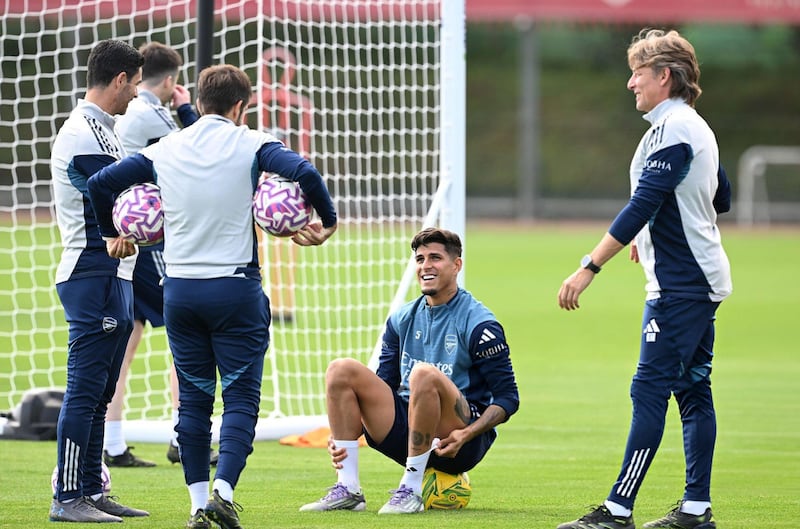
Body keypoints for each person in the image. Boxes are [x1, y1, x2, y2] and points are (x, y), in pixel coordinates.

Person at [87, 64, 338, 529]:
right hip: (236, 288)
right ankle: (222, 492)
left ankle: (197, 504)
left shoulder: (166, 148)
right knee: (241, 399)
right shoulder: (253, 143)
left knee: (194, 402)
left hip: (179, 292)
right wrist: (328, 222)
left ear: (198, 102)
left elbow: (101, 184)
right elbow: (304, 172)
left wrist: (110, 234)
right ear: (241, 107)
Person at [556, 28, 732, 529]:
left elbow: (645, 202)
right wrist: (654, 231)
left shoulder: (676, 128)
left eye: (638, 72)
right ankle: (695, 510)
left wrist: (589, 265)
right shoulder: (687, 126)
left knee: (648, 389)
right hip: (692, 278)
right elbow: (720, 197)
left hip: (682, 285)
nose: (630, 82)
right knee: (694, 389)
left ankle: (617, 509)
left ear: (664, 76)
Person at [299, 227, 520, 515]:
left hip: (457, 441)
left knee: (423, 374)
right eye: (420, 259)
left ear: (456, 265)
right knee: (341, 369)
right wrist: (344, 435)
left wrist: (466, 435)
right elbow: (383, 385)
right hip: (405, 429)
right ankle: (348, 487)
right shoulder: (401, 319)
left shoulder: (481, 325)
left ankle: (411, 489)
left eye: (435, 258)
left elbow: (508, 398)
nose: (426, 266)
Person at [102, 41, 219, 469]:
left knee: (125, 342)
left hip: (127, 235)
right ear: (170, 80)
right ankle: (182, 437)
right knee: (186, 338)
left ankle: (113, 443)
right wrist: (188, 110)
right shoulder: (151, 112)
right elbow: (197, 154)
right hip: (150, 240)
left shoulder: (126, 113)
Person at [49, 39, 150, 523]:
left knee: (101, 392)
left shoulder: (105, 130)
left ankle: (91, 487)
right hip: (93, 271)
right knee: (85, 390)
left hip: (118, 273)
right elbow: (106, 192)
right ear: (119, 80)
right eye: (134, 83)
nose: (136, 94)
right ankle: (68, 496)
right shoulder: (83, 131)